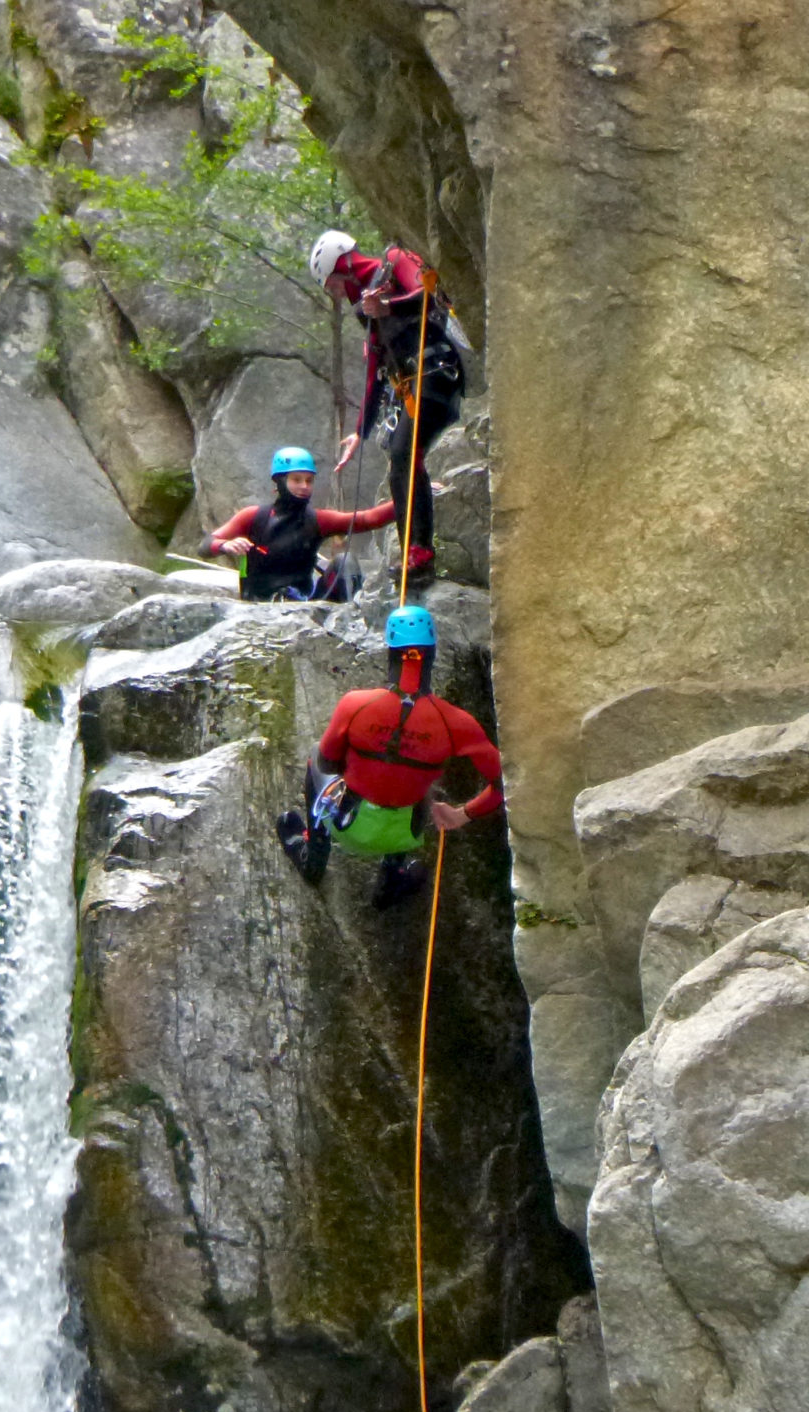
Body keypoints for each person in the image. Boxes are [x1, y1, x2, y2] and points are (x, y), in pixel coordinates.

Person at [276, 604, 503, 908]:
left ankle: (313, 860)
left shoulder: (355, 704)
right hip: (405, 832)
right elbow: (507, 784)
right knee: (426, 778)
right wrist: (463, 813)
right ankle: (391, 877)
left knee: (317, 753)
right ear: (432, 654)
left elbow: (328, 760)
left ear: (391, 652)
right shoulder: (457, 724)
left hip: (348, 824)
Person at [309, 230, 466, 596]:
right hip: (415, 386)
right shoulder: (368, 309)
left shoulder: (396, 259)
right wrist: (358, 432)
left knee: (403, 454)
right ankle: (415, 550)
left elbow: (430, 291)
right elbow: (374, 370)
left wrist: (390, 307)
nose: (337, 294)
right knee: (398, 458)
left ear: (343, 265)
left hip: (438, 372)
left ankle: (421, 551)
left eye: (333, 285)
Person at [204, 446, 397, 602]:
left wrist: (411, 499)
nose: (304, 486)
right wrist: (224, 545)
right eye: (296, 480)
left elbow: (367, 519)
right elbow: (205, 545)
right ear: (280, 481)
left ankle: (349, 621)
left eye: (309, 480)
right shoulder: (254, 516)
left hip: (305, 601)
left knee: (345, 562)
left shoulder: (318, 520)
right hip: (259, 604)